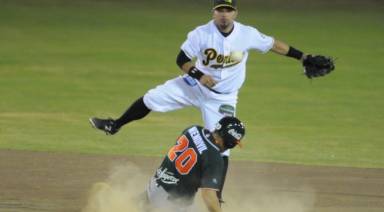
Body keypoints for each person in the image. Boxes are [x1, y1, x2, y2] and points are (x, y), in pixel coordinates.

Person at [90, 0, 333, 202]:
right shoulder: (201, 33)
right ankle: (115, 125)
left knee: (224, 143)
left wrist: (303, 57)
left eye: (228, 10)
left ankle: (216, 196)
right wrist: (198, 75)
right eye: (220, 9)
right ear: (213, 12)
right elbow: (181, 58)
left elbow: (273, 45)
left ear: (235, 13)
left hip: (224, 98)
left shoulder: (246, 34)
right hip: (193, 86)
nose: (224, 14)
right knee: (151, 98)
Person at [141, 116, 245, 212]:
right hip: (169, 205)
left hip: (153, 187)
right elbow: (208, 196)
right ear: (230, 142)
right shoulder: (215, 158)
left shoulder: (193, 129)